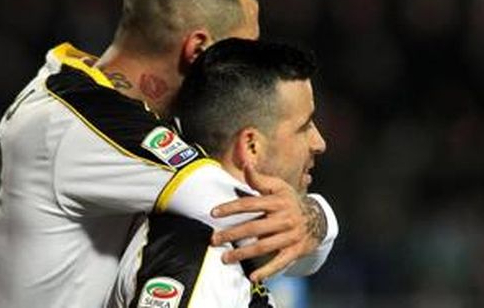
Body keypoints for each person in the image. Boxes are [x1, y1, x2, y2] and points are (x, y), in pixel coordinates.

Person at [0, 0, 337, 308]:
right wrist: (316, 218)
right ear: (198, 49)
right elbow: (251, 222)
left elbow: (282, 246)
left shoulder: (119, 110)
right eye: (242, 49)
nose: (250, 67)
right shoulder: (71, 123)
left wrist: (313, 221)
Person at [106, 39, 335, 308]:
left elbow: (310, 250)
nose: (319, 143)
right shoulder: (203, 261)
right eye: (304, 126)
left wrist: (315, 218)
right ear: (251, 146)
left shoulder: (236, 236)